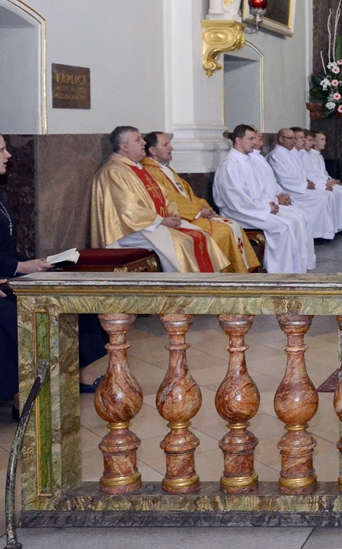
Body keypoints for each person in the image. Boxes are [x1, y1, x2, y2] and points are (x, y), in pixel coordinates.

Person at [1, 132, 106, 415]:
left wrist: (29, 265)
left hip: (8, 272)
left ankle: (77, 369)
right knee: (15, 315)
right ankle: (22, 390)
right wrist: (22, 268)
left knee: (69, 290)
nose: (8, 155)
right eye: (1, 150)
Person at [91, 126, 228, 273]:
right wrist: (160, 221)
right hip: (129, 230)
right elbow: (129, 209)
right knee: (180, 242)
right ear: (124, 146)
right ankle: (185, 285)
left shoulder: (138, 168)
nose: (144, 143)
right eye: (138, 140)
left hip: (152, 224)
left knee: (202, 235)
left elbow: (164, 196)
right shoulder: (114, 171)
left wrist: (173, 213)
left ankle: (209, 283)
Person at [142, 131, 260, 273]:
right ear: (152, 150)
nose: (171, 147)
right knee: (224, 231)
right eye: (165, 144)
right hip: (182, 217)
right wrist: (197, 212)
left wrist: (203, 207)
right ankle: (224, 276)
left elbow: (186, 193)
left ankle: (240, 274)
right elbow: (170, 198)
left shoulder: (164, 168)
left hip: (191, 214)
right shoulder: (150, 172)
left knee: (233, 226)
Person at [213, 125, 314, 273]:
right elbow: (237, 200)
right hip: (238, 213)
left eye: (254, 138)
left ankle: (296, 268)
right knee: (284, 226)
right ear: (238, 140)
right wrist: (266, 207)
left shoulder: (247, 161)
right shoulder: (230, 165)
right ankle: (279, 272)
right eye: (250, 139)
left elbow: (261, 189)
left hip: (255, 207)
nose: (254, 142)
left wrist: (270, 202)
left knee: (296, 217)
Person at [267, 128, 337, 242]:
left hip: (298, 187)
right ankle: (316, 233)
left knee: (325, 196)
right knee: (321, 199)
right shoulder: (275, 155)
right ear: (281, 139)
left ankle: (322, 232)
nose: (293, 141)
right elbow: (283, 179)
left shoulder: (289, 154)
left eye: (294, 139)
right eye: (291, 138)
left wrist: (307, 182)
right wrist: (304, 185)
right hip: (291, 190)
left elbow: (301, 172)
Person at [299, 130, 342, 231]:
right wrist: (325, 183)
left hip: (322, 181)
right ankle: (340, 225)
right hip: (315, 184)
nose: (324, 142)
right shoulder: (307, 155)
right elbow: (310, 175)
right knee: (341, 194)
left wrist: (331, 180)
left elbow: (323, 173)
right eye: (321, 140)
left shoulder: (317, 155)